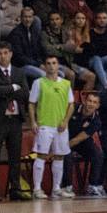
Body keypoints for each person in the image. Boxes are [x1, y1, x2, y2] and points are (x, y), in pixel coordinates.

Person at [0, 42, 30, 202]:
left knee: (15, 156)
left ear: (11, 54)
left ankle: (15, 188)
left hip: (15, 118)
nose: (3, 56)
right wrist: (13, 88)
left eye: (5, 53)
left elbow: (25, 93)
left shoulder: (19, 72)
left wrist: (8, 90)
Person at [28, 54, 75, 199]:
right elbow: (31, 103)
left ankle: (56, 188)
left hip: (61, 127)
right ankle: (37, 189)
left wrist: (65, 121)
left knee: (59, 157)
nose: (51, 66)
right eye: (48, 63)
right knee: (41, 156)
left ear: (58, 65)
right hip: (44, 125)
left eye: (54, 63)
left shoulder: (66, 84)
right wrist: (33, 121)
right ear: (44, 66)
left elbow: (71, 104)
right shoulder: (38, 83)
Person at [62, 91, 105, 197]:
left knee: (98, 154)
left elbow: (78, 139)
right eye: (89, 101)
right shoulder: (73, 108)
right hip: (64, 137)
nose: (91, 104)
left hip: (80, 141)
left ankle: (92, 185)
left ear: (98, 106)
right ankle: (67, 186)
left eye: (94, 102)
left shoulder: (96, 121)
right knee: (67, 155)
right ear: (84, 101)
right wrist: (60, 148)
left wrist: (64, 147)